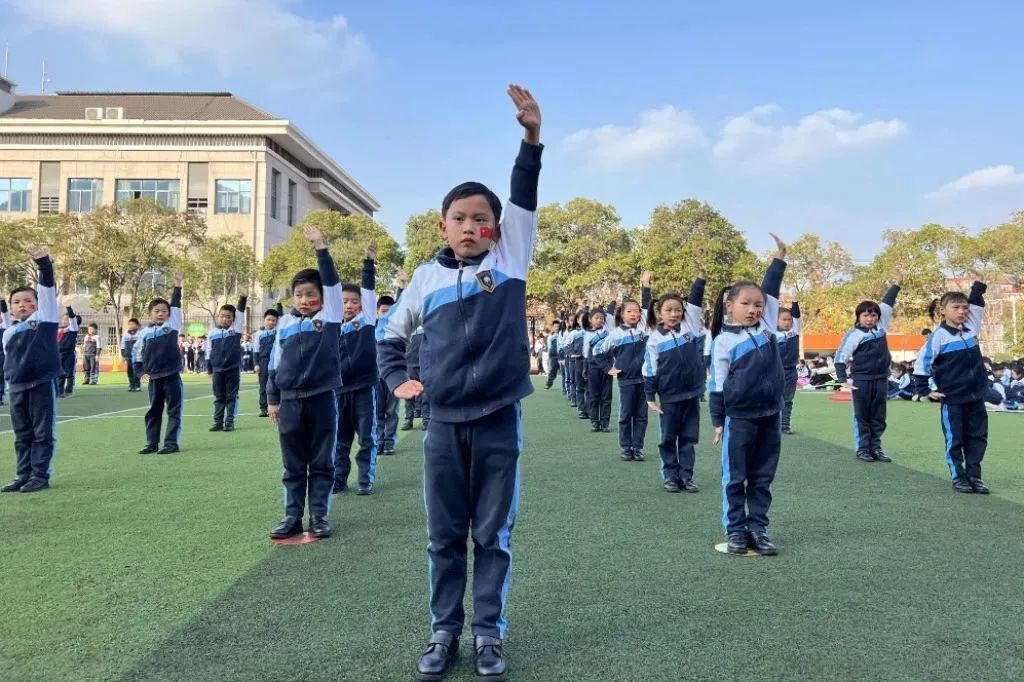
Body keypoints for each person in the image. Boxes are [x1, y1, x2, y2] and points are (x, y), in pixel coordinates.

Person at [377, 84, 541, 682]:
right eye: (459, 218)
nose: (470, 227)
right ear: (443, 225)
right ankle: (444, 630)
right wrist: (399, 379)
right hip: (443, 423)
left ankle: (488, 633)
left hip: (498, 416)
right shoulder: (424, 279)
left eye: (482, 220)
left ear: (497, 230)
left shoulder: (509, 261)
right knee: (443, 534)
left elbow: (524, 194)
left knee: (492, 534)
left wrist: (531, 140)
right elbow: (388, 337)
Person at [708, 234, 788, 556]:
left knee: (762, 477)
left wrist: (779, 260)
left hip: (770, 415)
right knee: (735, 478)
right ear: (730, 305)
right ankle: (736, 531)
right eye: (746, 304)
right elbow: (717, 384)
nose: (753, 309)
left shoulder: (767, 328)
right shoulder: (723, 341)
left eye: (758, 305)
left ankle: (758, 529)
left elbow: (771, 289)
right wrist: (718, 421)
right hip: (739, 419)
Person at [266, 226, 344, 540]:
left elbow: (333, 284)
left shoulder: (330, 316)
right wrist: (272, 399)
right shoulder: (285, 323)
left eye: (311, 294)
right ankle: (292, 516)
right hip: (289, 402)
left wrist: (320, 247)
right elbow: (274, 364)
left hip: (322, 398)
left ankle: (319, 517)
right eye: (299, 295)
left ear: (322, 297)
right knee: (293, 463)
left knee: (322, 461)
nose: (304, 300)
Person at [913, 280, 992, 493]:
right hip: (953, 399)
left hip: (976, 397)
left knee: (978, 438)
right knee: (955, 439)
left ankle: (974, 477)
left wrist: (978, 287)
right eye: (955, 307)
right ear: (943, 310)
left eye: (964, 308)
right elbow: (922, 363)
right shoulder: (938, 336)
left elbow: (977, 305)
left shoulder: (971, 328)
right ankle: (959, 477)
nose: (961, 311)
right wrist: (924, 390)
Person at [1, 247, 61, 493]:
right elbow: (9, 361)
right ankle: (23, 475)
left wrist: (44, 264)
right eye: (16, 302)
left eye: (28, 301)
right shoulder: (8, 332)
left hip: (40, 384)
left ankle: (39, 475)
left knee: (42, 433)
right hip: (16, 388)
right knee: (22, 434)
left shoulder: (45, 319)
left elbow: (46, 290)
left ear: (37, 305)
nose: (22, 305)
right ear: (11, 309)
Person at [643, 275, 707, 492]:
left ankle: (686, 477)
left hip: (691, 395)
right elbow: (650, 369)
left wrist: (700, 279)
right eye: (668, 310)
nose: (674, 314)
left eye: (678, 310)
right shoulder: (655, 339)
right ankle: (670, 476)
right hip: (669, 398)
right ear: (659, 313)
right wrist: (650, 397)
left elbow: (695, 301)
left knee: (689, 439)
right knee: (668, 439)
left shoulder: (690, 327)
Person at [835, 280, 902, 462]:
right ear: (858, 317)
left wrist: (896, 285)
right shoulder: (854, 335)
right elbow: (841, 357)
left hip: (881, 379)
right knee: (862, 416)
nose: (870, 319)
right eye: (865, 315)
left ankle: (876, 448)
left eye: (873, 315)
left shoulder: (881, 328)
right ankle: (863, 449)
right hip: (861, 381)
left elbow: (887, 304)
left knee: (879, 416)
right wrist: (843, 379)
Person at [334, 242, 380, 495]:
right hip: (338, 391)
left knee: (366, 438)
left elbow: (369, 291)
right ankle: (338, 479)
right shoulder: (330, 327)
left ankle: (365, 479)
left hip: (363, 388)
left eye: (354, 301)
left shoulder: (366, 320)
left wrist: (368, 263)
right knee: (339, 440)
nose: (349, 305)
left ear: (362, 305)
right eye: (344, 301)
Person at [134, 270, 185, 455]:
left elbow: (176, 305)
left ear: (169, 315)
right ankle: (151, 443)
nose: (161, 314)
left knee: (174, 411)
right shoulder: (144, 334)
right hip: (154, 378)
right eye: (157, 311)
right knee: (154, 411)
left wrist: (177, 285)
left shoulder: (171, 326)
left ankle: (171, 443)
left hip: (171, 375)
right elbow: (137, 354)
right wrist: (140, 372)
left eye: (164, 311)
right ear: (150, 314)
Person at [606, 273, 652, 461]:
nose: (634, 314)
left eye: (636, 311)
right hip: (626, 381)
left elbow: (647, 305)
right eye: (629, 311)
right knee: (626, 415)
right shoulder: (615, 334)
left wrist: (646, 286)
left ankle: (637, 447)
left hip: (644, 380)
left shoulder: (643, 328)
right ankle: (626, 448)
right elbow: (598, 352)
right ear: (622, 314)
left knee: (641, 416)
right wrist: (608, 368)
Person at [206, 292, 248, 432]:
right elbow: (208, 352)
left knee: (231, 397)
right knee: (219, 397)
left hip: (233, 369)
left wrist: (242, 298)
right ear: (218, 317)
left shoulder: (236, 330)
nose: (225, 319)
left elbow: (240, 312)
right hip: (217, 370)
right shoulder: (212, 333)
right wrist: (209, 370)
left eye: (229, 317)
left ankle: (229, 422)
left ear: (233, 319)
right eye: (222, 316)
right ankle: (217, 422)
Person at [374, 276, 405, 457]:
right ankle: (379, 442)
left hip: (393, 378)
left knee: (391, 411)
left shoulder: (396, 332)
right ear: (377, 313)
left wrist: (401, 287)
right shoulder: (370, 329)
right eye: (383, 311)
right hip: (375, 378)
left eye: (389, 311)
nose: (386, 314)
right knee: (378, 412)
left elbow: (401, 306)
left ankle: (389, 442)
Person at [583, 303, 615, 433]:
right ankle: (595, 421)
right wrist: (585, 368)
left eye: (602, 318)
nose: (599, 320)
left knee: (606, 396)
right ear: (590, 319)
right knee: (594, 396)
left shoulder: (608, 332)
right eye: (596, 317)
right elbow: (586, 353)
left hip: (607, 368)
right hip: (593, 368)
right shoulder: (587, 334)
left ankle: (605, 422)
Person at [775, 302, 801, 433]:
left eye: (789, 320)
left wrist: (794, 301)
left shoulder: (794, 332)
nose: (787, 322)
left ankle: (784, 425)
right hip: (775, 371)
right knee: (773, 399)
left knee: (788, 399)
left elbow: (796, 315)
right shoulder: (772, 334)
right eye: (783, 320)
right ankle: (771, 425)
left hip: (791, 372)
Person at [253, 308, 281, 418]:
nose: (271, 322)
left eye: (274, 320)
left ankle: (280, 405)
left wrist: (279, 305)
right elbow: (256, 350)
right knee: (263, 386)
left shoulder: (278, 332)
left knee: (278, 384)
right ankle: (264, 408)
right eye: (269, 319)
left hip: (276, 362)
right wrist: (256, 364)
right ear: (264, 320)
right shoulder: (259, 334)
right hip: (263, 362)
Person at [402, 326, 430, 430]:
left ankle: (426, 420)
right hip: (409, 364)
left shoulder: (426, 323)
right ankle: (408, 420)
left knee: (425, 393)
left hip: (424, 363)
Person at [56, 306, 80, 397]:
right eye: (63, 319)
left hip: (69, 354)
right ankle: (60, 391)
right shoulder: (58, 330)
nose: (64, 321)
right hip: (59, 354)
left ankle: (68, 391)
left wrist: (69, 308)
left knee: (69, 373)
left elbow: (72, 318)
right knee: (60, 373)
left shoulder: (73, 329)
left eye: (67, 319)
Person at [121, 319, 142, 391]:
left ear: (137, 325)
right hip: (128, 356)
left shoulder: (140, 334)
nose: (131, 326)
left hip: (137, 356)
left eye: (133, 324)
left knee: (136, 371)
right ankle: (131, 385)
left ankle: (137, 385)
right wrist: (123, 356)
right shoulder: (125, 334)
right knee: (129, 371)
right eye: (129, 324)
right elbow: (123, 346)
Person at [543, 320, 562, 389]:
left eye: (558, 326)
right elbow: (549, 347)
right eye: (555, 327)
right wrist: (550, 355)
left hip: (562, 356)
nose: (557, 328)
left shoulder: (563, 335)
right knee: (553, 370)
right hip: (554, 356)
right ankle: (549, 384)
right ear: (553, 328)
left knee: (565, 371)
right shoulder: (550, 337)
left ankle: (566, 386)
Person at [0, 299, 10, 406]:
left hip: (2, 355)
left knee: (1, 376)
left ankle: (0, 397)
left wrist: (2, 302)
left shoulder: (6, 326)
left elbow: (5, 314)